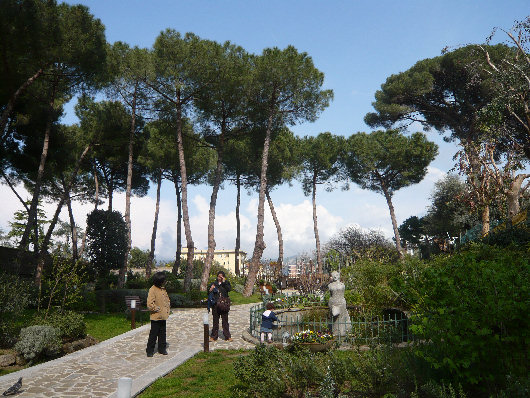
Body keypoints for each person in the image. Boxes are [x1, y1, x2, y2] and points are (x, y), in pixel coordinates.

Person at [146, 271, 171, 357]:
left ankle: (162, 349)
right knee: (153, 334)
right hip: (156, 316)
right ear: (160, 280)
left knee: (162, 334)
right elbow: (149, 304)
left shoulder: (163, 289)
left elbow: (167, 300)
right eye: (164, 280)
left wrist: (167, 309)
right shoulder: (152, 289)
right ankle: (149, 350)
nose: (165, 281)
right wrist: (158, 309)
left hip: (163, 316)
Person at [209, 271, 232, 342]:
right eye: (219, 276)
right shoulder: (214, 284)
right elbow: (209, 292)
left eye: (221, 276)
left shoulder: (226, 283)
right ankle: (214, 336)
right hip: (215, 305)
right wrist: (210, 289)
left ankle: (227, 336)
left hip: (224, 304)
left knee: (225, 321)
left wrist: (224, 281)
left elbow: (229, 289)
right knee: (215, 321)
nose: (220, 278)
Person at [328, 270, 351, 336]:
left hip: (341, 302)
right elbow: (331, 294)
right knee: (334, 319)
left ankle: (342, 332)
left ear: (339, 276)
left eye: (337, 275)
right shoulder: (330, 285)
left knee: (341, 317)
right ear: (332, 276)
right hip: (333, 302)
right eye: (333, 275)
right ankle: (334, 332)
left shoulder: (342, 285)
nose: (335, 276)